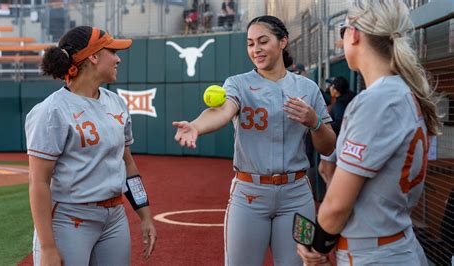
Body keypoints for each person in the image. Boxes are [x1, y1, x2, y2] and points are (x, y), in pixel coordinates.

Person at [173, 15, 336, 265]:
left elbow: (328, 146)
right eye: (250, 44)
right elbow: (222, 111)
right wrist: (196, 126)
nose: (256, 50)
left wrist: (314, 122)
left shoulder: (307, 87)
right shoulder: (238, 84)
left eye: (263, 41)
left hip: (296, 194)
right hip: (249, 195)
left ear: (283, 42)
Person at [296, 1, 441, 265]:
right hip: (395, 242)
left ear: (354, 33)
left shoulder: (378, 100)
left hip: (375, 253)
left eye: (343, 31)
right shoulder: (402, 91)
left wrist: (317, 248)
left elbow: (337, 205)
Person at [26, 26, 157, 266]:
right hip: (69, 220)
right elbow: (39, 182)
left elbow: (127, 164)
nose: (118, 58)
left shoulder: (116, 103)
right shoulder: (51, 111)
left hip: (115, 218)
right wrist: (47, 247)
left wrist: (145, 215)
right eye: (112, 51)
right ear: (93, 56)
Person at [318, 76, 354, 185]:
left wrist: (323, 126)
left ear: (336, 89)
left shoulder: (339, 105)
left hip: (334, 143)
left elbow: (338, 124)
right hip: (344, 142)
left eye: (331, 86)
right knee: (322, 170)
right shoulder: (349, 100)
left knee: (331, 179)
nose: (329, 88)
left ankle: (332, 198)